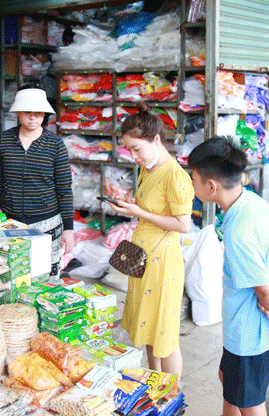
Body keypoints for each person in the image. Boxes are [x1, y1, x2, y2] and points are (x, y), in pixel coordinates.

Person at [188, 137, 269, 416]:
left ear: (211, 186)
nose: (191, 185)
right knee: (229, 382)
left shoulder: (238, 232)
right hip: (252, 331)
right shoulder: (252, 202)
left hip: (250, 336)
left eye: (193, 179)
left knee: (251, 405)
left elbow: (264, 292)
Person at [105, 101, 193, 375]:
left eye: (137, 149)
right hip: (142, 257)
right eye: (129, 149)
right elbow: (149, 207)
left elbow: (183, 224)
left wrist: (139, 211)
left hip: (163, 261)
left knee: (164, 336)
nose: (133, 156)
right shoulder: (148, 168)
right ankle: (154, 386)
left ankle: (172, 395)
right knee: (148, 329)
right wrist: (129, 204)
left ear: (156, 140)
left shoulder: (175, 175)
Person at [0, 87, 74, 278]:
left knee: (45, 278)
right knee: (14, 277)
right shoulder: (4, 141)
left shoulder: (55, 144)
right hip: (12, 223)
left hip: (47, 223)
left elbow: (64, 188)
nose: (33, 118)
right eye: (27, 112)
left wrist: (68, 228)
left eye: (38, 113)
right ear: (18, 113)